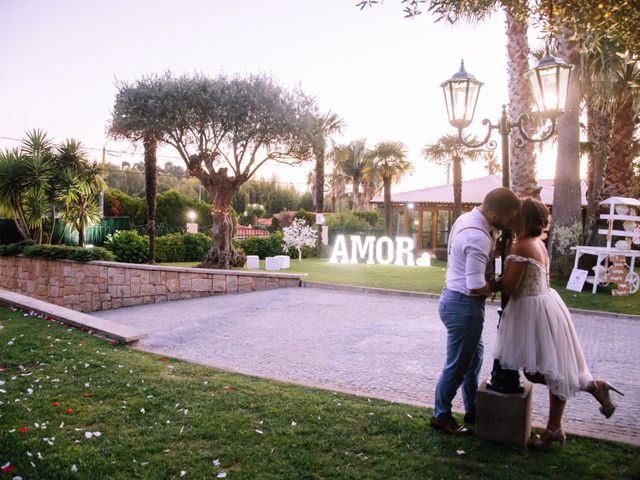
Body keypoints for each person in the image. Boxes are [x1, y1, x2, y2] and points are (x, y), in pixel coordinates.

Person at [493, 198, 624, 450]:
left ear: (523, 219)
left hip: (533, 310)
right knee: (553, 368)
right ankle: (555, 427)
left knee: (543, 371)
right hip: (547, 305)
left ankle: (592, 387)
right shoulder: (538, 244)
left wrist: (491, 281)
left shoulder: (521, 247)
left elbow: (510, 286)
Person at [430, 187, 521, 435]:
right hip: (464, 306)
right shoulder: (477, 237)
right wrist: (501, 284)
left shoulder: (468, 219)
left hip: (454, 299)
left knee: (473, 359)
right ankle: (441, 415)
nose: (511, 222)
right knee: (458, 365)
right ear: (493, 215)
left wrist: (494, 248)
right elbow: (475, 286)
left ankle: (472, 408)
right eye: (509, 217)